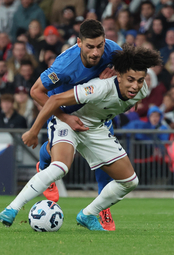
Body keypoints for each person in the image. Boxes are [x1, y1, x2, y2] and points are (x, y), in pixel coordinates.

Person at [0, 44, 163, 231]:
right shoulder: (99, 87)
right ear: (119, 76)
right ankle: (11, 208)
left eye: (140, 80)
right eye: (131, 80)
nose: (135, 85)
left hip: (95, 129)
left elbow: (127, 97)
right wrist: (34, 131)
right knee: (60, 167)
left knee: (130, 181)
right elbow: (54, 100)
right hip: (69, 122)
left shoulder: (141, 91)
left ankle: (88, 214)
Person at [29, 19, 122, 231]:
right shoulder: (64, 65)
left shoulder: (113, 50)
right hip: (64, 109)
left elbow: (129, 71)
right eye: (90, 46)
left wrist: (118, 74)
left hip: (95, 110)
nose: (96, 52)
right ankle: (44, 165)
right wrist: (64, 117)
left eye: (100, 46)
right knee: (61, 158)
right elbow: (35, 91)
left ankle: (102, 208)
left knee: (105, 160)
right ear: (79, 42)